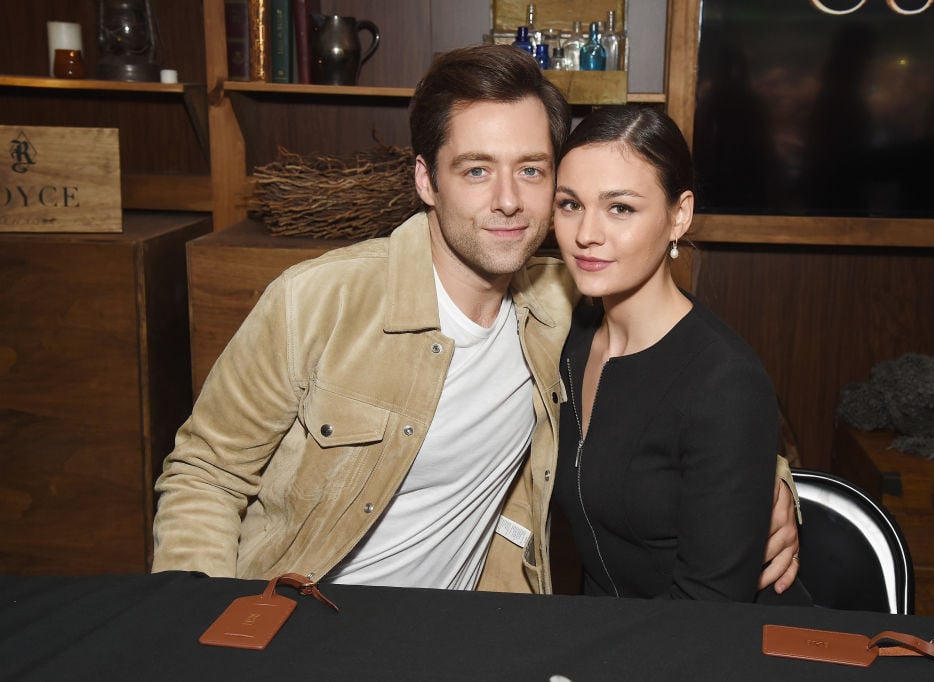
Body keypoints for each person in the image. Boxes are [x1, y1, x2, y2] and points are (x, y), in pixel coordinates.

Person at [151, 44, 800, 596]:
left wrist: (768, 486)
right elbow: (207, 473)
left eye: (531, 171)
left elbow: (694, 390)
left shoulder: (559, 309)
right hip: (298, 618)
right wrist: (199, 623)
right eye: (477, 170)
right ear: (426, 180)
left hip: (465, 634)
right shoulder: (317, 302)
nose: (508, 201)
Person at [552, 105, 809, 603]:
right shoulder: (566, 338)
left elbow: (709, 606)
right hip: (604, 628)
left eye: (620, 208)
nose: (586, 234)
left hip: (705, 637)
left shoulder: (724, 382)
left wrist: (763, 480)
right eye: (569, 204)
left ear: (680, 215)